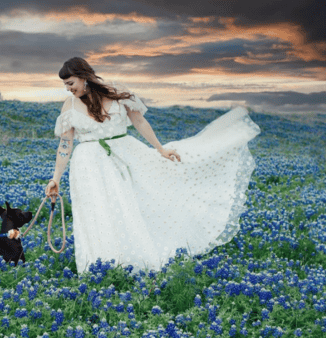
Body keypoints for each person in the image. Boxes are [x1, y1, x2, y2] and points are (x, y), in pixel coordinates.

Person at [45, 56, 260, 275]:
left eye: (71, 83)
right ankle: (102, 266)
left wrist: (160, 149)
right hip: (88, 166)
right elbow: (65, 143)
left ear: (84, 77)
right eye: (65, 85)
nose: (68, 89)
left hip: (124, 153)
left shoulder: (116, 90)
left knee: (137, 202)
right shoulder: (69, 105)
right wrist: (56, 178)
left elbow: (139, 121)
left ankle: (133, 259)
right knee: (97, 212)